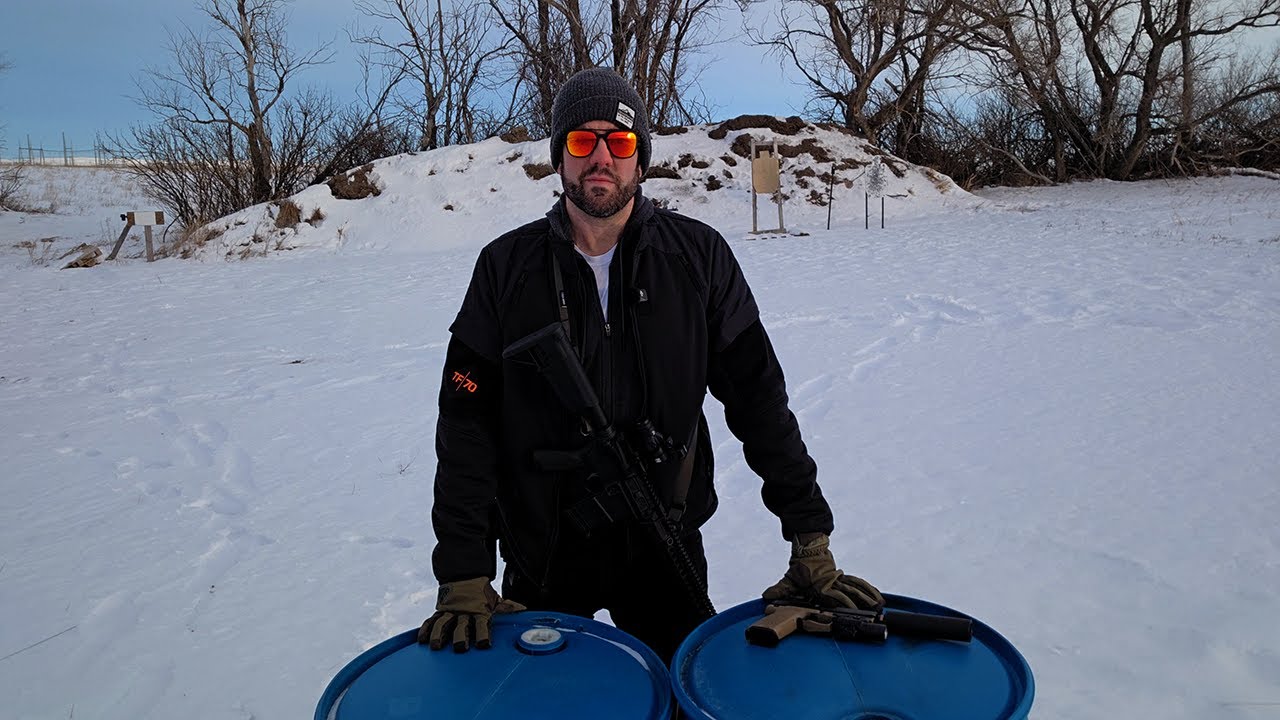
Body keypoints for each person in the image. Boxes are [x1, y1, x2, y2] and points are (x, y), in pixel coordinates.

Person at [419, 67, 883, 664]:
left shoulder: (697, 257)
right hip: (543, 555)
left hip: (665, 543)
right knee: (541, 702)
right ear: (559, 157)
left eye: (620, 141)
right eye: (582, 141)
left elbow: (760, 402)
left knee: (681, 691)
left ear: (641, 159)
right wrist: (464, 572)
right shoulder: (505, 268)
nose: (601, 158)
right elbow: (465, 425)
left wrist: (809, 538)